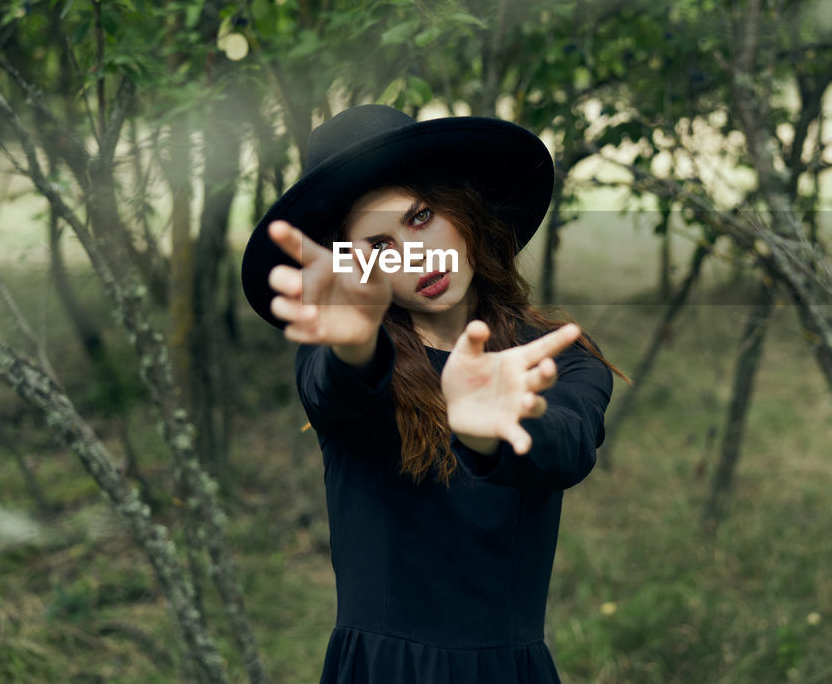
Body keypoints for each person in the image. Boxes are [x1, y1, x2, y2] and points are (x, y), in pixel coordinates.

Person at [240, 104, 622, 684]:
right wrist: (356, 345)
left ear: (463, 209)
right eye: (379, 246)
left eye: (421, 218)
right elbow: (331, 391)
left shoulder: (554, 354)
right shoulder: (346, 356)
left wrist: (491, 428)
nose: (415, 256)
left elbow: (569, 445)